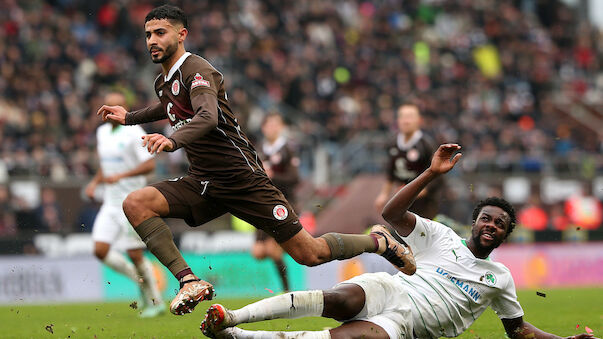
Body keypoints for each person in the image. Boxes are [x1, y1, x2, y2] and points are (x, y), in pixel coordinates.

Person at [96, 4, 415, 316]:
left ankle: (379, 241)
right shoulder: (163, 83)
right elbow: (166, 106)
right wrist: (129, 118)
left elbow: (207, 117)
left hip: (242, 178)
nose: (152, 40)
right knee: (136, 203)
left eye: (160, 32)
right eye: (148, 34)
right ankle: (189, 281)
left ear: (182, 35)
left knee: (310, 253)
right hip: (205, 181)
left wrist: (172, 140)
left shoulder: (198, 70)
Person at [200, 144, 596, 339]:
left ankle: (237, 336)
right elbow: (391, 214)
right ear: (475, 222)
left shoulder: (499, 278)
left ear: (506, 234)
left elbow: (520, 331)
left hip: (404, 323)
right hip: (389, 289)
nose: (491, 224)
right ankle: (231, 317)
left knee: (344, 338)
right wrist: (430, 172)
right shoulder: (441, 236)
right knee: (337, 300)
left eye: (500, 223)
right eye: (486, 218)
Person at [86, 91, 165, 318]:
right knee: (100, 250)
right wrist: (95, 182)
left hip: (131, 202)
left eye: (116, 107)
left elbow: (150, 166)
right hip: (110, 202)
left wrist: (121, 176)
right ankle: (140, 279)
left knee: (135, 253)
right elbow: (106, 164)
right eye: (108, 107)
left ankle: (156, 302)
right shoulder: (102, 133)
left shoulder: (134, 132)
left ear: (124, 109)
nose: (111, 112)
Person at [252, 113, 301, 292]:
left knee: (272, 250)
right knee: (258, 253)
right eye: (268, 125)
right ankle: (289, 247)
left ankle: (286, 290)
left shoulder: (288, 149)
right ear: (263, 128)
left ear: (281, 127)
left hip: (285, 204)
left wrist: (273, 176)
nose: (272, 128)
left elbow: (295, 177)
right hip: (264, 205)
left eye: (275, 125)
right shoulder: (260, 151)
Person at [374, 104, 442, 219]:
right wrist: (384, 194)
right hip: (403, 201)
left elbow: (437, 176)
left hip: (425, 204)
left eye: (410, 116)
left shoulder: (426, 145)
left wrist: (414, 192)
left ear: (419, 120)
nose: (406, 121)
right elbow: (391, 171)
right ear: (398, 120)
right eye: (403, 117)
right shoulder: (392, 143)